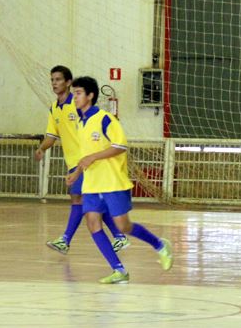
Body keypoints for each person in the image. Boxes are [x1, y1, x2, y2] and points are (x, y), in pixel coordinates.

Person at [65, 76, 172, 283]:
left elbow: (120, 146)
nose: (75, 97)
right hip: (92, 184)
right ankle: (119, 270)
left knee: (123, 227)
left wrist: (93, 157)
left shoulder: (105, 119)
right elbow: (86, 154)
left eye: (78, 93)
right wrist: (77, 172)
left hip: (113, 182)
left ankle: (160, 245)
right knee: (93, 223)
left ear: (90, 95)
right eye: (74, 93)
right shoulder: (81, 122)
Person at [35, 65, 129, 255]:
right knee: (88, 204)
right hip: (73, 162)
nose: (54, 83)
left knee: (81, 201)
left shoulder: (76, 104)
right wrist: (42, 148)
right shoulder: (54, 108)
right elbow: (52, 135)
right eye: (52, 80)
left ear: (68, 83)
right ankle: (119, 236)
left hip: (86, 161)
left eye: (59, 79)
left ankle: (66, 240)